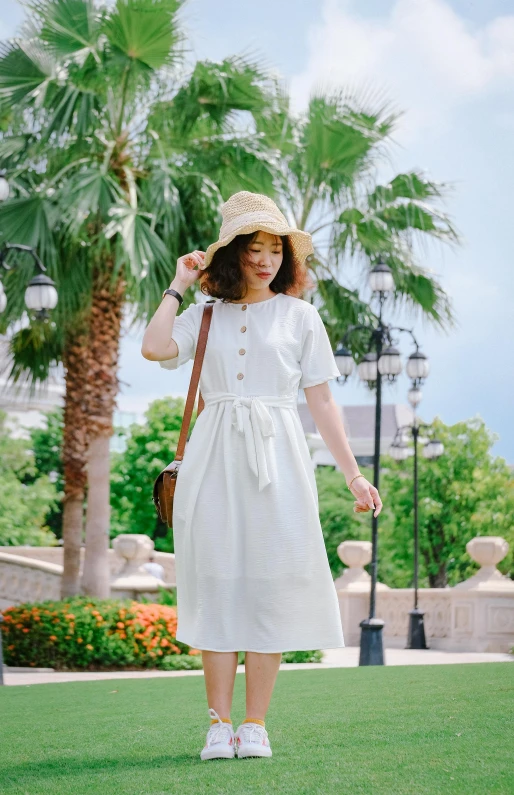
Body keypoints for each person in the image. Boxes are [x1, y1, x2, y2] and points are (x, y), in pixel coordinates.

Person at [141, 191, 383, 761]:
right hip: (213, 457)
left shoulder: (301, 316)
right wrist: (179, 283)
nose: (266, 259)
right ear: (233, 254)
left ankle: (255, 724)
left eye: (275, 249)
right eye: (254, 248)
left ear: (286, 258)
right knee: (219, 588)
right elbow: (154, 347)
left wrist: (353, 476)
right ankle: (217, 725)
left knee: (269, 588)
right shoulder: (203, 316)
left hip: (279, 458)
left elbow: (322, 403)